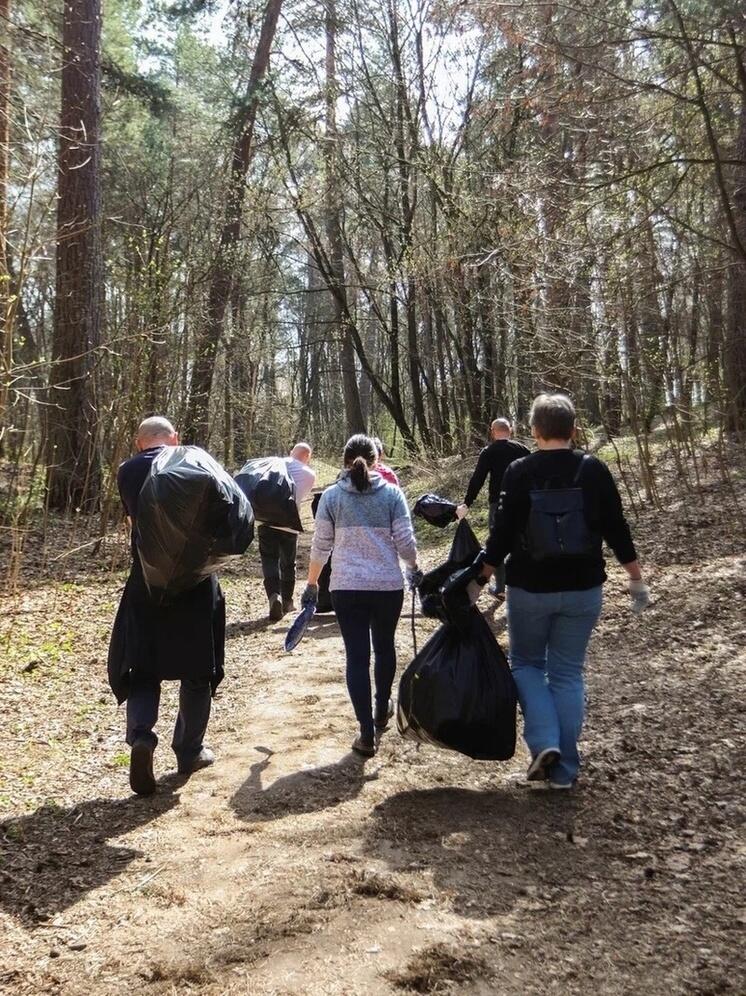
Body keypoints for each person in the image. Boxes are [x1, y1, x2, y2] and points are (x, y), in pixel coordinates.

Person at [479, 394, 650, 789]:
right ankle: (565, 771)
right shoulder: (593, 470)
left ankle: (543, 742)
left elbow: (501, 536)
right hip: (583, 589)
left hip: (529, 589)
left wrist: (479, 578)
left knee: (525, 665)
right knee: (568, 674)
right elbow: (616, 528)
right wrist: (636, 578)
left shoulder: (519, 471)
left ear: (535, 431)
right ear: (574, 430)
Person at [108, 416, 224, 796]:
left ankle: (142, 737)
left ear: (140, 442)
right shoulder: (195, 460)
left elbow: (134, 519)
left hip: (146, 582)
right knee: (197, 670)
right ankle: (188, 751)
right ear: (174, 438)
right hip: (195, 582)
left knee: (143, 666)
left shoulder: (128, 471)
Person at [301, 434, 419, 757]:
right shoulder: (393, 495)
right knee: (384, 647)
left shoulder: (331, 498)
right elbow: (406, 543)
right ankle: (382, 709)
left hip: (346, 587)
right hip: (386, 586)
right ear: (376, 460)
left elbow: (320, 547)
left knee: (356, 656)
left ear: (343, 460)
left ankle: (366, 733)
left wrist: (312, 584)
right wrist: (413, 568)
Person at [456, 418, 530, 596]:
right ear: (510, 430)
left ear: (492, 431)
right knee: (522, 541)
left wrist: (467, 502)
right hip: (523, 504)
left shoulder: (489, 452)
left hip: (498, 504)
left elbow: (478, 479)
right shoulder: (523, 450)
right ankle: (521, 584)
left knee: (498, 543)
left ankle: (500, 587)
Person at [258, 442, 316, 621]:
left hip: (266, 521)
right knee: (288, 562)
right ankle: (287, 601)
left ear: (292, 452)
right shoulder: (309, 475)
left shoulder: (272, 464)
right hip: (289, 525)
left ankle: (273, 596)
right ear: (307, 457)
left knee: (269, 559)